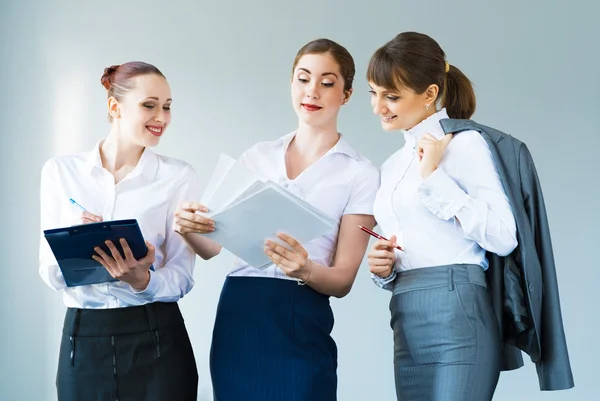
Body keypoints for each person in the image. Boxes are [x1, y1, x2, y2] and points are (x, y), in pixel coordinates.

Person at [173, 38, 379, 400]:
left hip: (301, 310)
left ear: (346, 95)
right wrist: (187, 229)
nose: (312, 91)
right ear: (291, 84)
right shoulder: (257, 156)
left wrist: (306, 269)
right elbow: (210, 249)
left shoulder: (360, 173)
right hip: (240, 310)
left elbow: (343, 279)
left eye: (327, 82)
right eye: (303, 79)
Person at [365, 32, 518, 400]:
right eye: (374, 93)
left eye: (392, 96)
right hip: (405, 313)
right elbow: (414, 243)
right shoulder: (391, 165)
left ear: (430, 94)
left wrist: (434, 178)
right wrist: (384, 267)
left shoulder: (465, 145)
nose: (378, 106)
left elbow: (503, 236)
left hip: (457, 313)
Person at [39, 62, 199, 400]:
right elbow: (50, 273)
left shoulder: (178, 177)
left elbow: (182, 277)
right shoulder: (60, 172)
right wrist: (78, 247)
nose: (162, 117)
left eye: (167, 107)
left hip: (158, 336)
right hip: (84, 338)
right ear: (115, 107)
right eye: (150, 105)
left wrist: (143, 280)